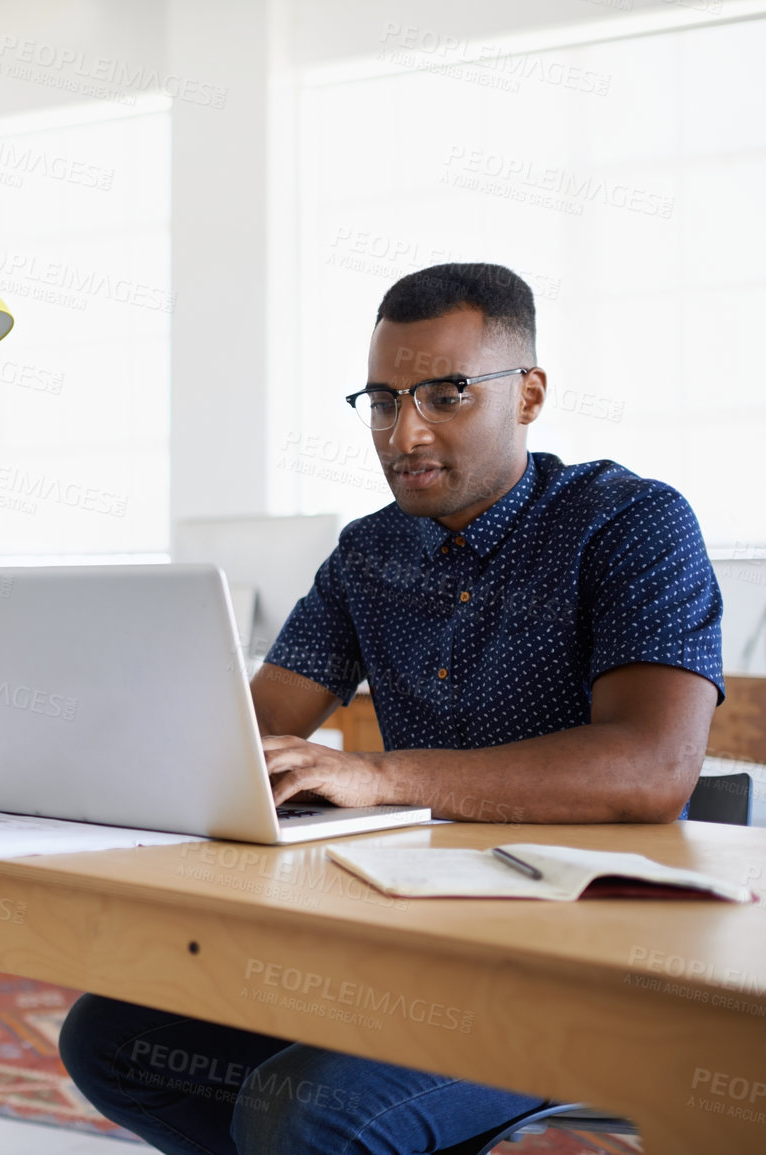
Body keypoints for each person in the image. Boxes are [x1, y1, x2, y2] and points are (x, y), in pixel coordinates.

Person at [59, 263, 724, 1154]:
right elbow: (255, 727)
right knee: (116, 1041)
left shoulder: (630, 523)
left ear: (526, 394)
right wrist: (96, 736)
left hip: (582, 957)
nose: (402, 432)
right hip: (404, 929)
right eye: (380, 401)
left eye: (444, 395)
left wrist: (376, 775)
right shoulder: (368, 552)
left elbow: (649, 769)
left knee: (303, 1115)